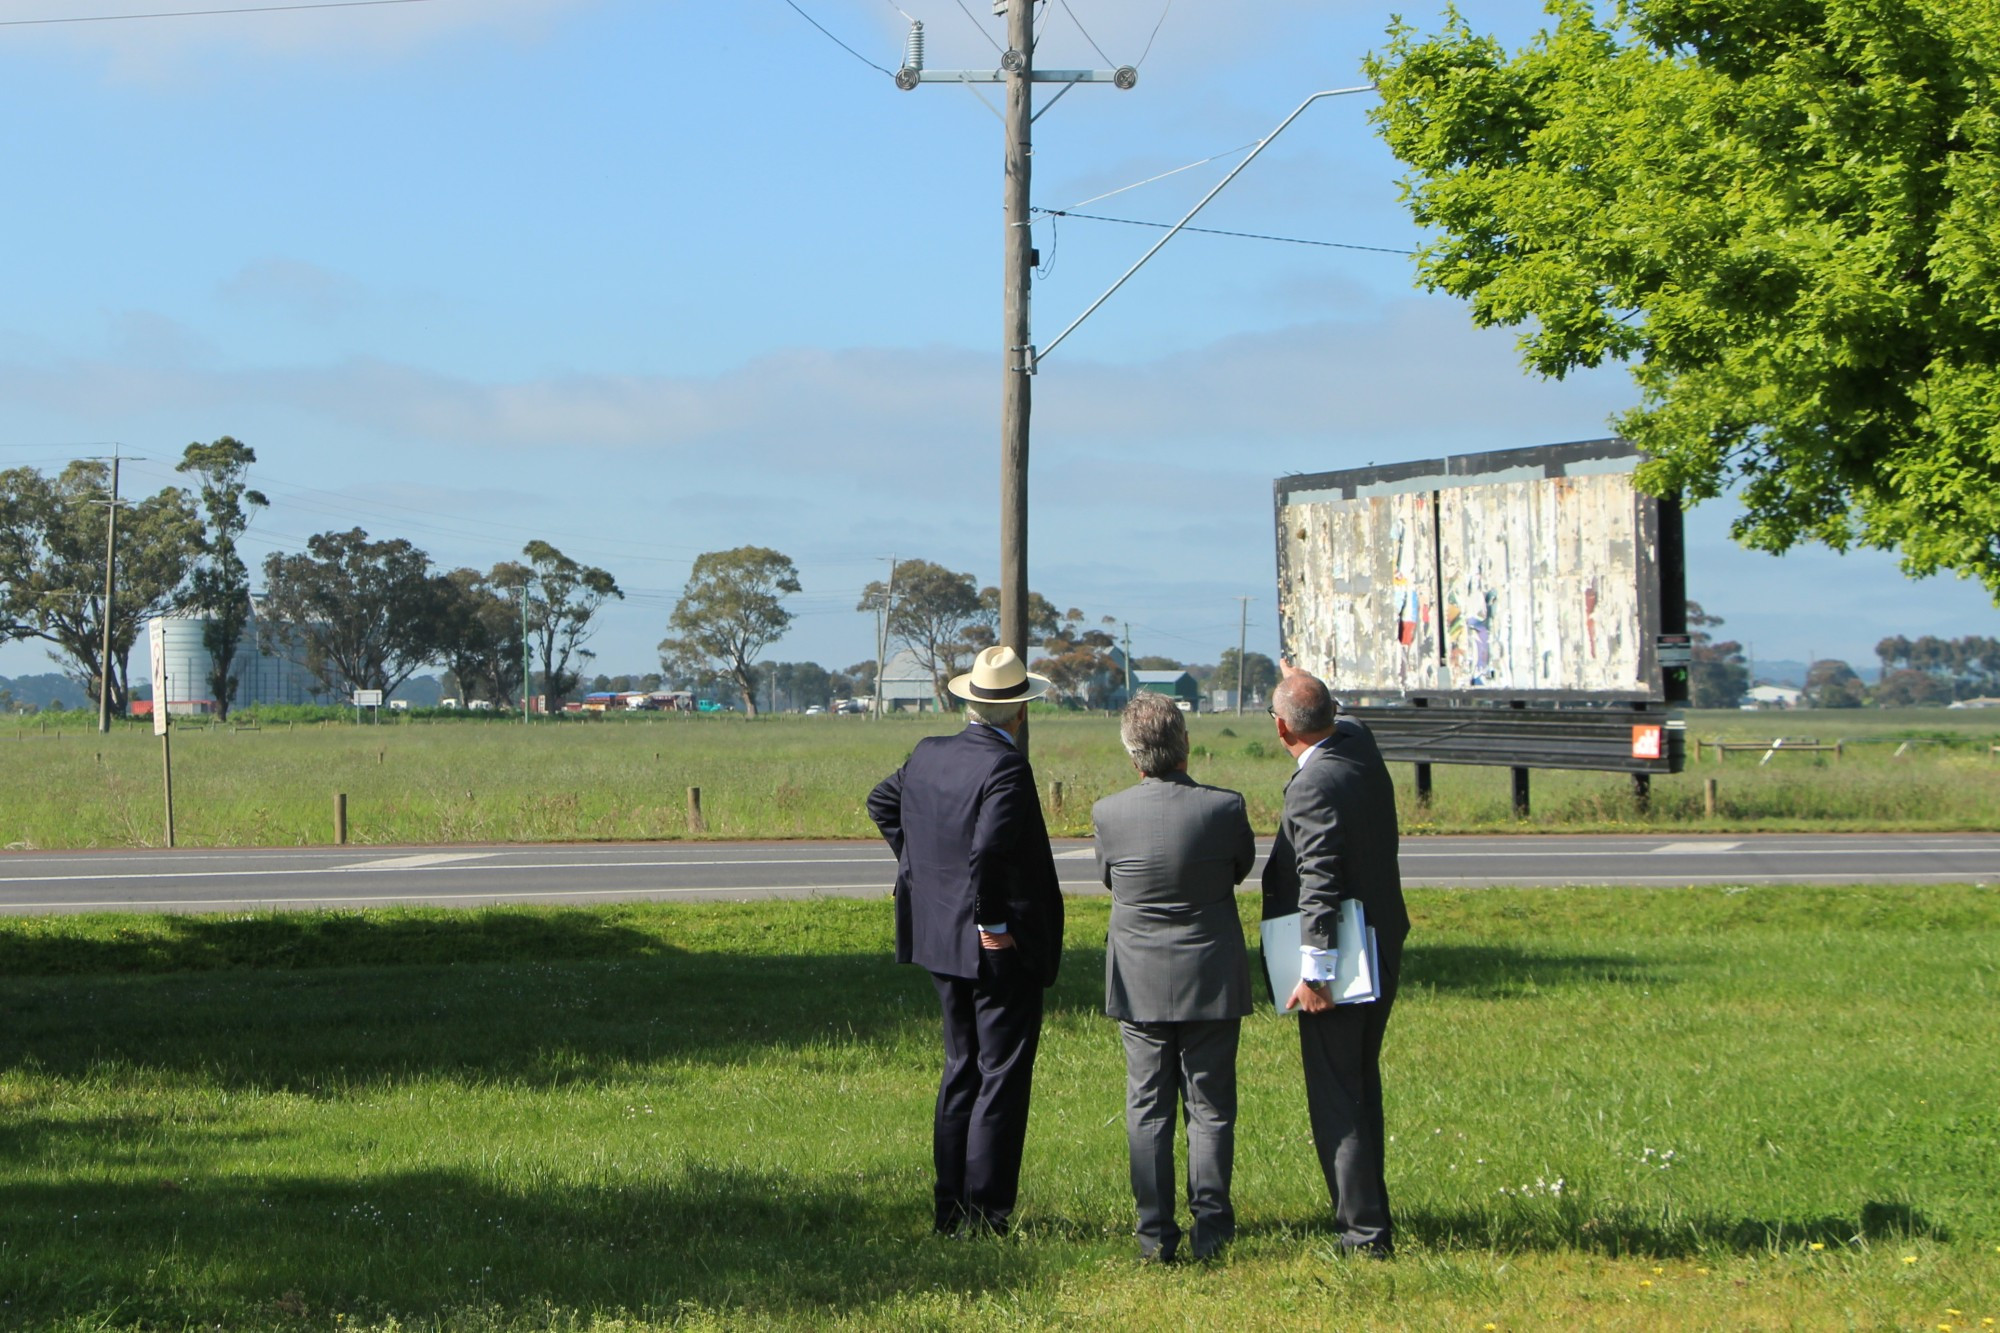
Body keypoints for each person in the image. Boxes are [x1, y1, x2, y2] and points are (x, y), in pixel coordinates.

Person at [867, 645, 1065, 1236]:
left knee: (962, 1069)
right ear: (1021, 712)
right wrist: (993, 924)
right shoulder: (1006, 768)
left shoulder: (929, 754)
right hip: (991, 944)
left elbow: (882, 802)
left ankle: (950, 1210)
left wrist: (924, 873)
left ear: (969, 704)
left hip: (939, 936)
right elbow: (989, 852)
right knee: (1000, 1076)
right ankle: (988, 1214)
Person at [1092, 692, 1256, 1263]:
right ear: (1184, 744)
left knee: (1148, 1107)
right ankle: (1212, 1231)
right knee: (1209, 1107)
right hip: (1210, 973)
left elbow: (1110, 877)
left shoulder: (1108, 813)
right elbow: (1240, 869)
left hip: (1138, 978)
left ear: (1132, 755)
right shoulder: (1224, 807)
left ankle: (1153, 1234)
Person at [1260, 664, 1411, 1257]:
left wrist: (1315, 973)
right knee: (1359, 1085)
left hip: (1344, 959)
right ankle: (1370, 1217)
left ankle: (1363, 1236)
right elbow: (1342, 716)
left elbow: (1318, 882)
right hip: (1383, 938)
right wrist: (1303, 682)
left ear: (1281, 728)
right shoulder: (1361, 749)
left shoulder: (1312, 785)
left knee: (1337, 1096)